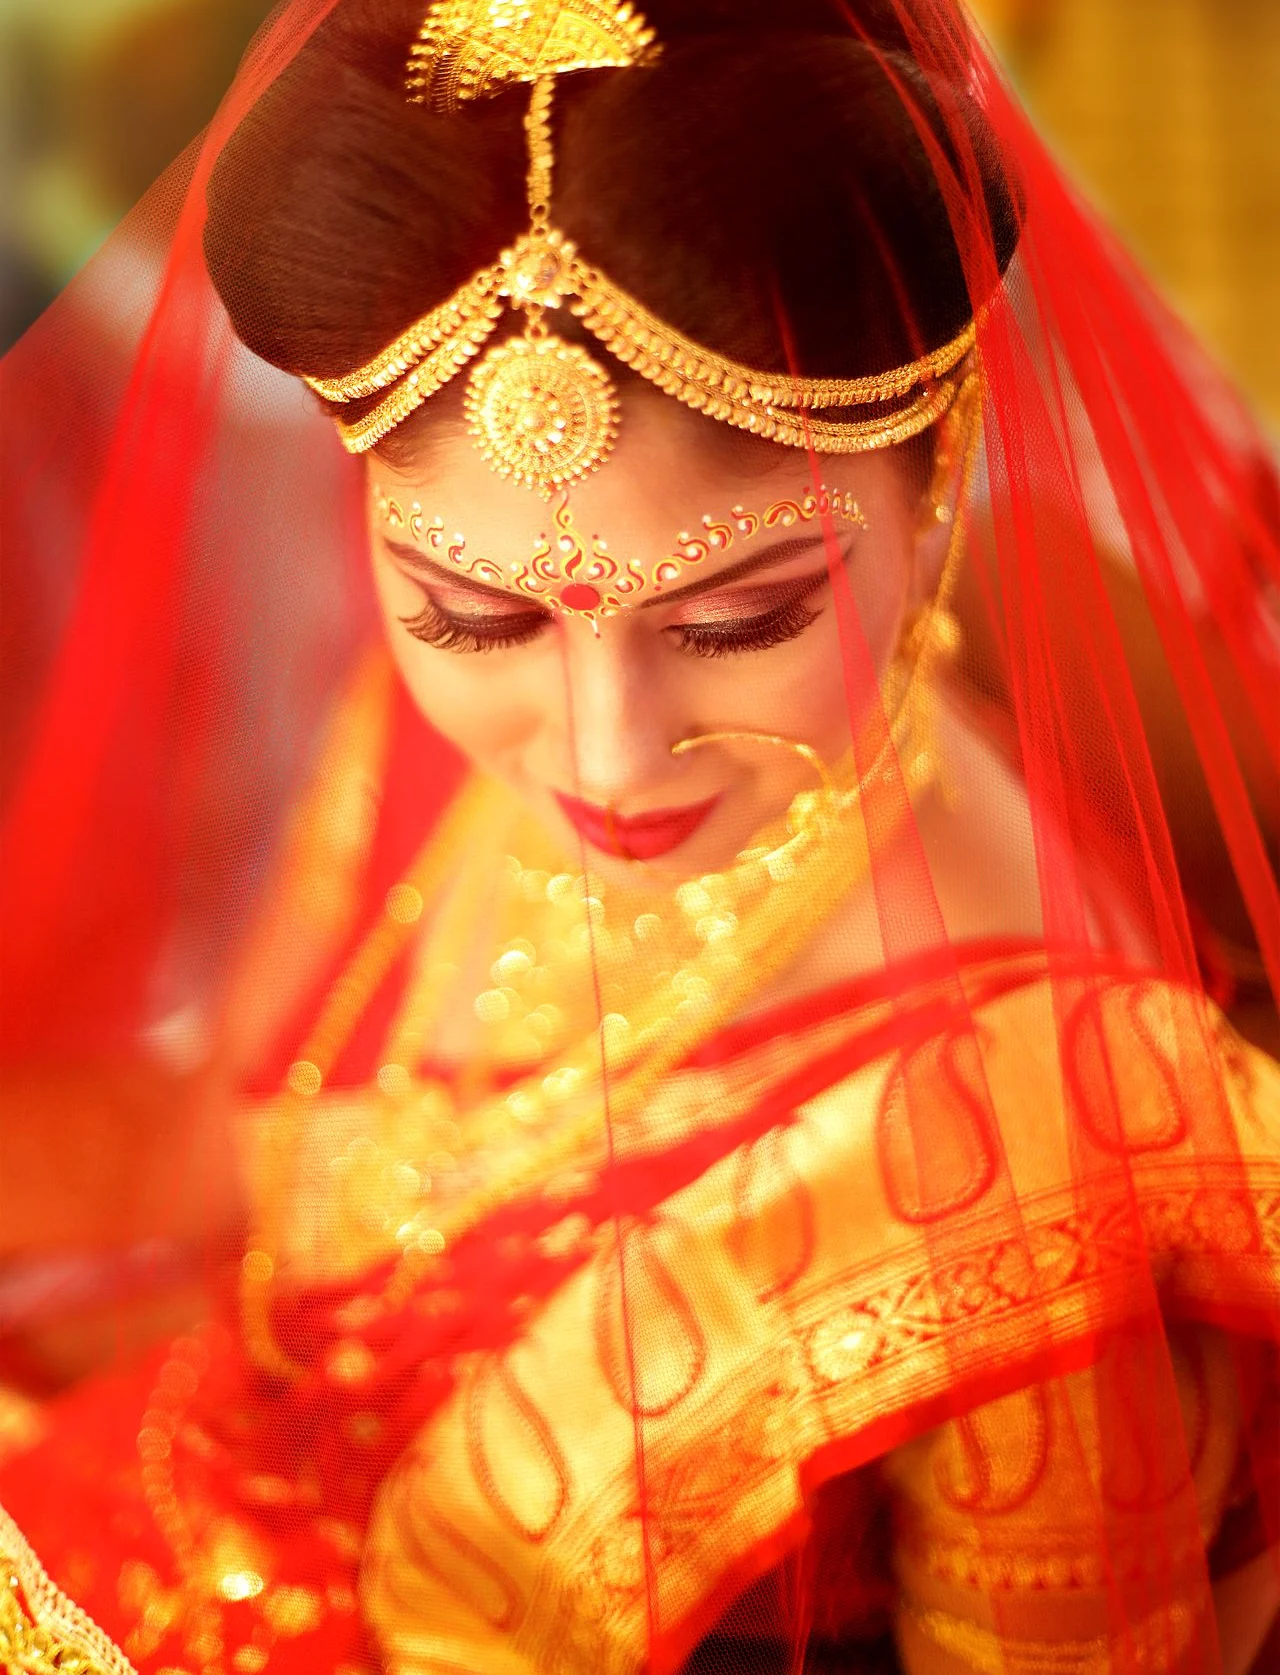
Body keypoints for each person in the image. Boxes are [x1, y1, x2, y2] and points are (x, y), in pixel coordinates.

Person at [0, 2, 1277, 1672]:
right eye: (471, 615)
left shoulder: (1044, 1150)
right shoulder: (438, 732)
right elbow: (224, 1143)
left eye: (740, 619)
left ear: (937, 481)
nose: (604, 749)